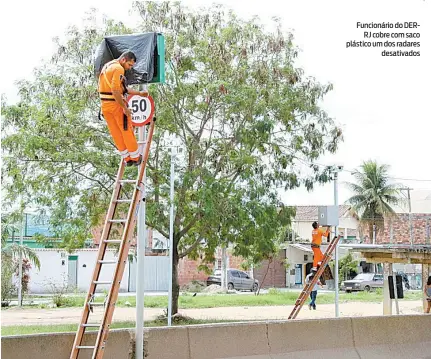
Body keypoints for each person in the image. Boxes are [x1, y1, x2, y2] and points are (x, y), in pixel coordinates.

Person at [98, 51, 148, 166]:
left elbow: (122, 89)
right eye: (129, 65)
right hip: (116, 105)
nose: (129, 68)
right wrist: (124, 108)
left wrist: (139, 93)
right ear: (124, 60)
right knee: (126, 130)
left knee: (115, 132)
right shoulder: (118, 69)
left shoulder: (107, 66)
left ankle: (127, 158)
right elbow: (115, 91)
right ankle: (135, 158)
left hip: (105, 106)